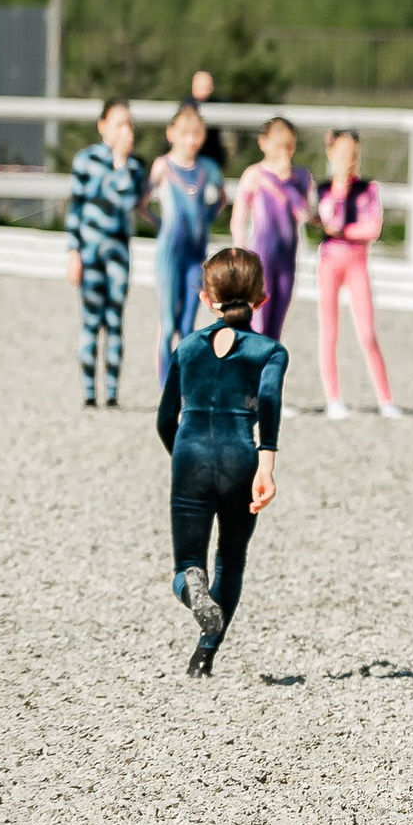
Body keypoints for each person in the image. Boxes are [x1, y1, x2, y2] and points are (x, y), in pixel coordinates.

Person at [158, 248, 286, 677]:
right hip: (240, 459)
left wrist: (183, 457)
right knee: (230, 561)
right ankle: (204, 654)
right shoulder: (269, 351)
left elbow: (163, 420)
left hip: (189, 455)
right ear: (261, 299)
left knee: (186, 565)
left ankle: (192, 592)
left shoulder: (186, 347)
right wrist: (265, 465)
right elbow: (268, 403)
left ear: (205, 296)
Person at [64, 97, 150, 407]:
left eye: (130, 124)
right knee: (90, 320)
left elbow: (127, 202)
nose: (126, 130)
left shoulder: (135, 166)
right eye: (119, 123)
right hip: (89, 252)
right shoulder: (84, 160)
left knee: (115, 321)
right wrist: (72, 251)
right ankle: (89, 392)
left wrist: (120, 162)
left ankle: (112, 392)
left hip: (118, 254)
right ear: (103, 127)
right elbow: (75, 207)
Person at [314, 129, 400, 419]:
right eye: (342, 154)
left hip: (356, 263)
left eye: (353, 154)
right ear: (331, 153)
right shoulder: (323, 190)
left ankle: (385, 398)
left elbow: (371, 229)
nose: (348, 160)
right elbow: (323, 219)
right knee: (329, 331)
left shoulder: (368, 189)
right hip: (329, 262)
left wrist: (343, 231)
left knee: (366, 332)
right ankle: (333, 398)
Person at [149, 102, 226, 385]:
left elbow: (221, 198)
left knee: (187, 325)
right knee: (168, 323)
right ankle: (165, 385)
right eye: (184, 133)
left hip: (196, 254)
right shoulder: (163, 166)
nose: (190, 140)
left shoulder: (207, 168)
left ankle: (184, 385)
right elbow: (142, 203)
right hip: (169, 253)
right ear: (171, 133)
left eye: (196, 134)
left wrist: (207, 219)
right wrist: (159, 225)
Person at [230, 117, 313, 339]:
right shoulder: (254, 175)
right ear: (263, 142)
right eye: (278, 145)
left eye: (289, 146)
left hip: (287, 259)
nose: (283, 152)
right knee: (258, 323)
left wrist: (286, 181)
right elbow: (238, 220)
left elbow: (304, 213)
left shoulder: (301, 177)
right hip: (260, 257)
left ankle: (269, 373)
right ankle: (252, 371)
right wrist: (241, 254)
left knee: (276, 329)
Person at [186, 69, 230, 171]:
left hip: (212, 156)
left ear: (211, 87)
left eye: (206, 85)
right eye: (200, 85)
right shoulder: (186, 105)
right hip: (191, 156)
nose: (204, 89)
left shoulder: (218, 104)